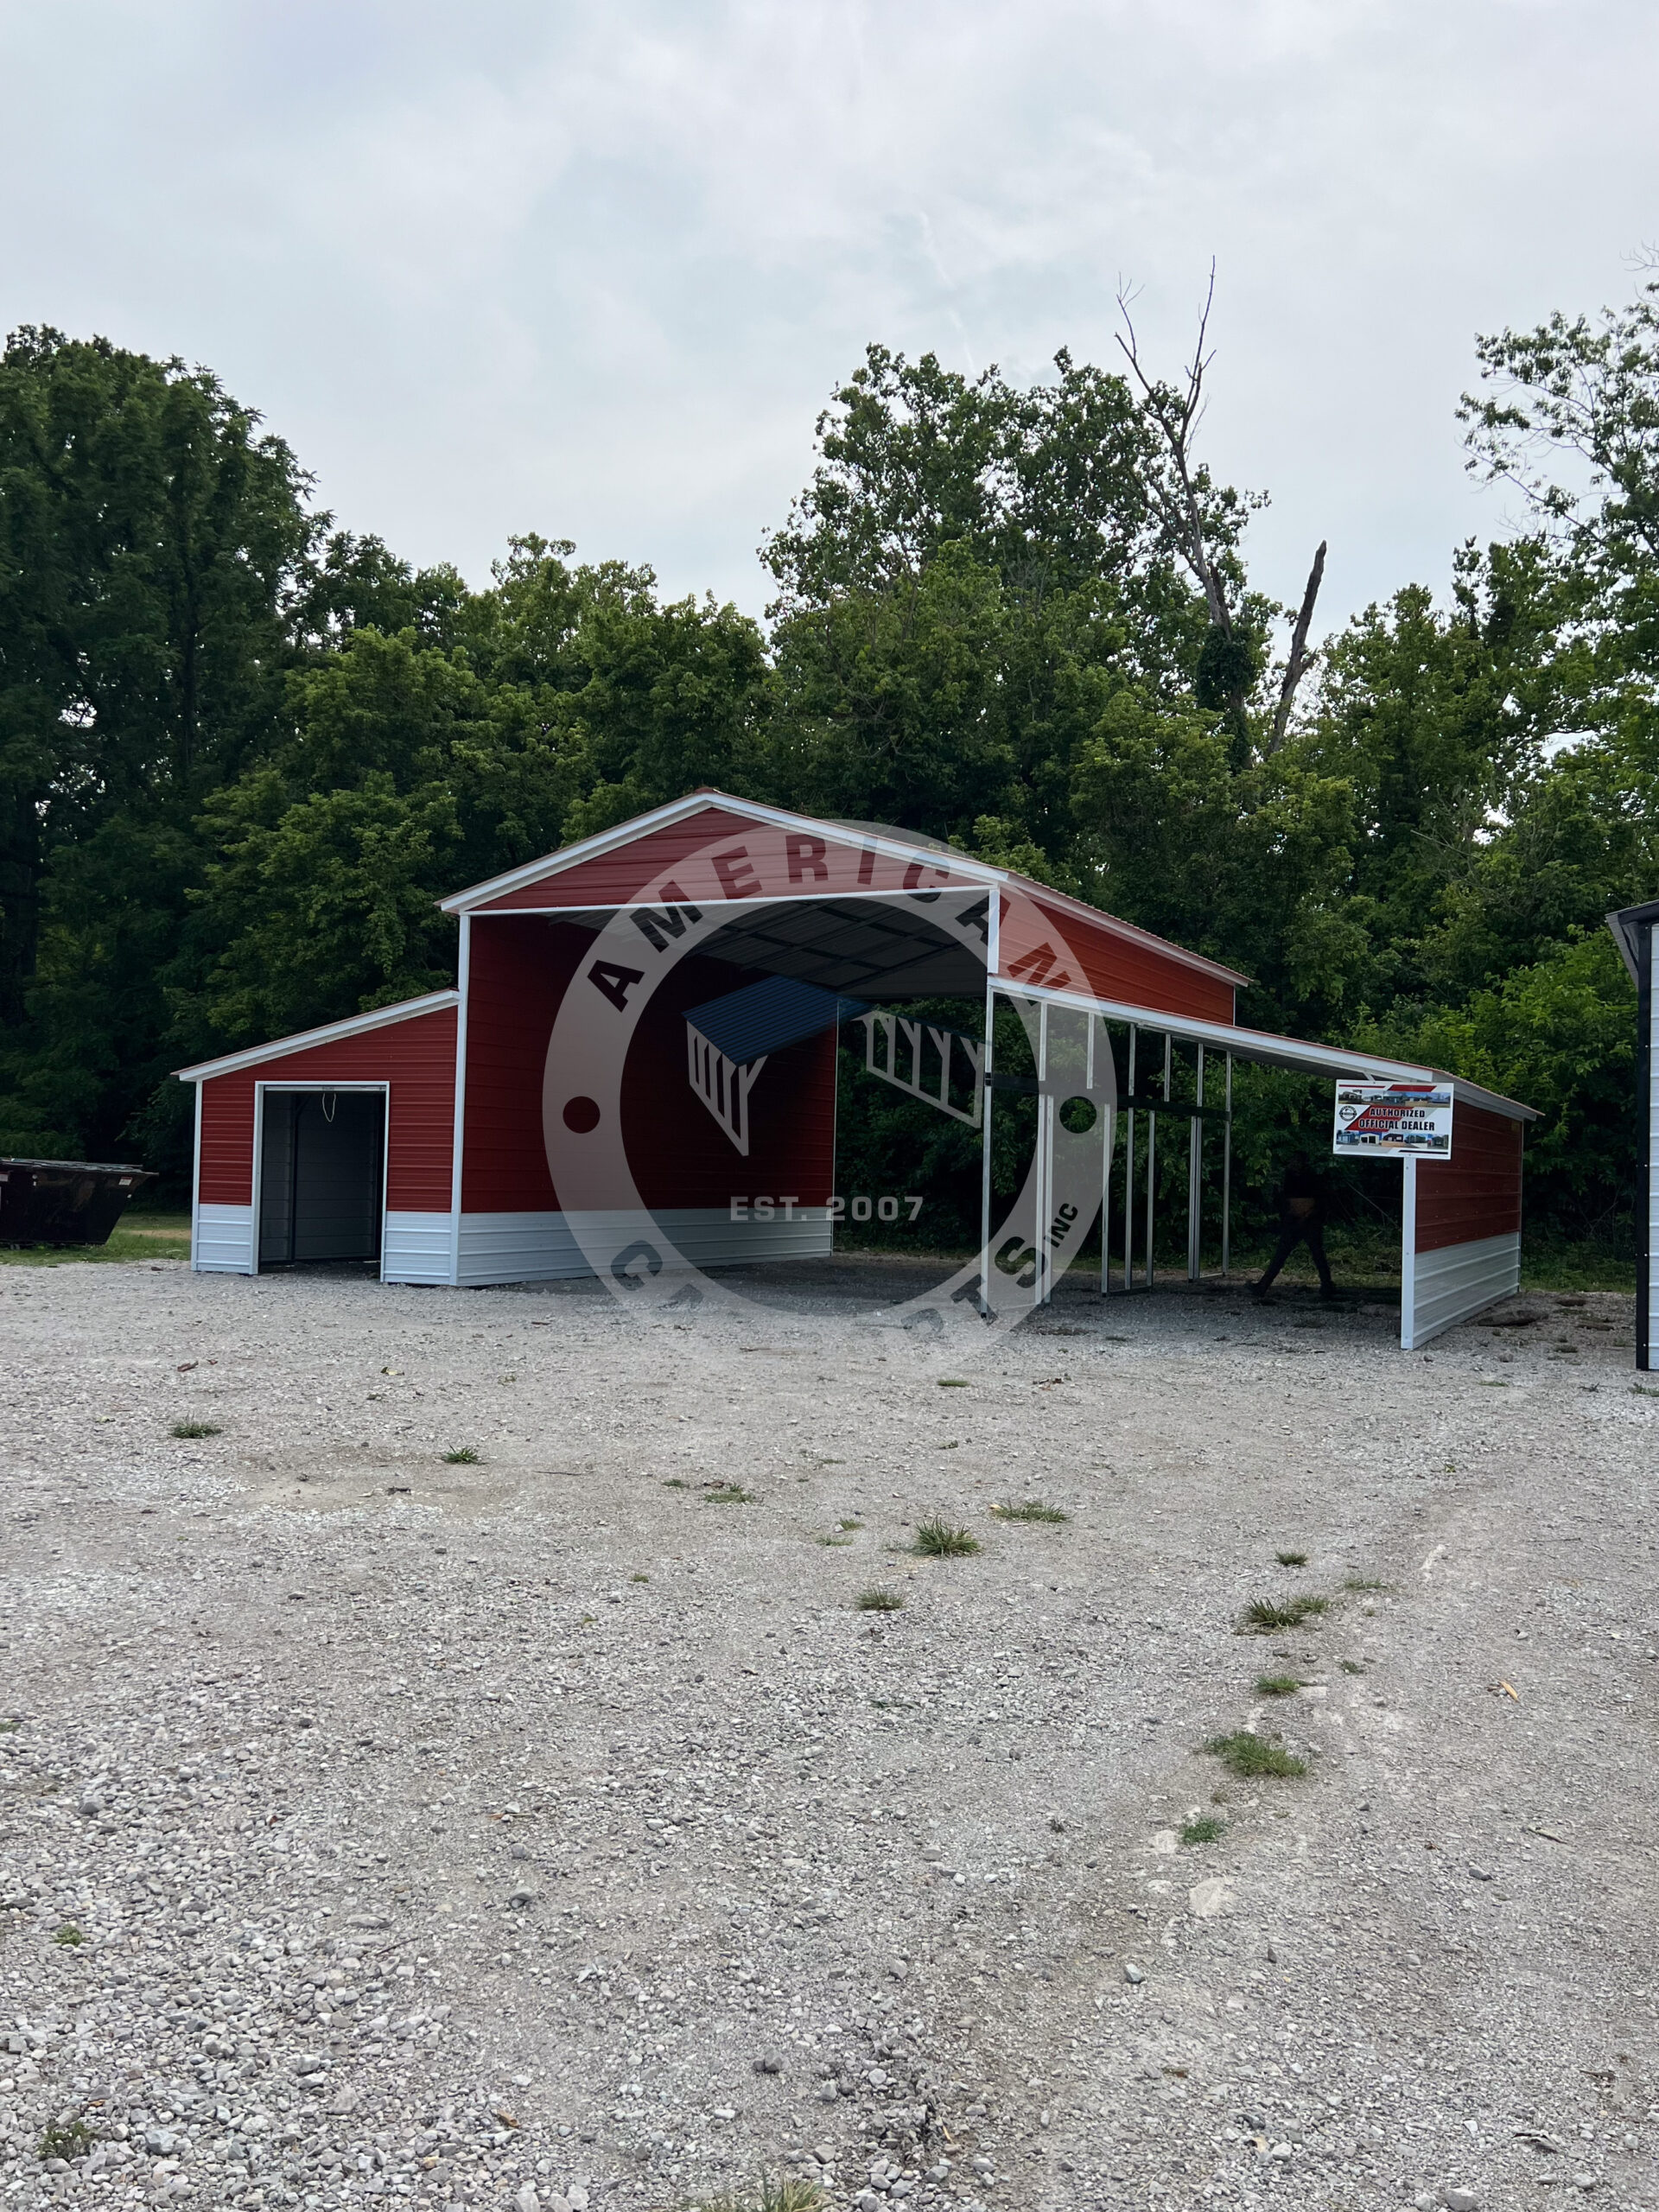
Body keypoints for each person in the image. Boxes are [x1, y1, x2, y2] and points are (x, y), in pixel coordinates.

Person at [1254, 1150, 1335, 1299]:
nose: (1294, 1164)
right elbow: (1285, 1198)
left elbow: (1320, 1199)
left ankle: (1327, 1286)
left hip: (1310, 1219)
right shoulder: (1289, 1176)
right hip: (1293, 1219)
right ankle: (1263, 1285)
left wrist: (1308, 1214)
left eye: (1297, 1161)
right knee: (1281, 1254)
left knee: (1317, 1254)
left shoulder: (1312, 1177)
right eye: (1293, 1161)